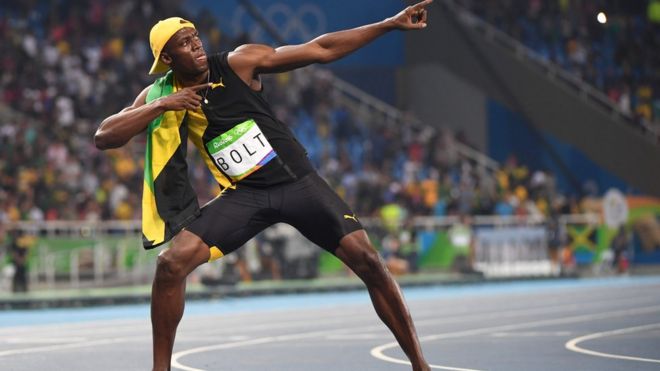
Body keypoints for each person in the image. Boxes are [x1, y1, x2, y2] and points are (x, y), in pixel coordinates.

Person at [95, 1, 433, 370]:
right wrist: (165, 105)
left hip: (297, 182)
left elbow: (320, 49)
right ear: (167, 58)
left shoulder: (239, 63)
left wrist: (390, 24)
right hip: (245, 195)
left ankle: (419, 365)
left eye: (196, 37)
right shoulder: (159, 95)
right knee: (171, 264)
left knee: (369, 260)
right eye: (185, 43)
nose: (197, 45)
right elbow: (105, 136)